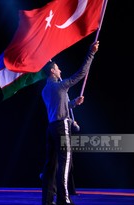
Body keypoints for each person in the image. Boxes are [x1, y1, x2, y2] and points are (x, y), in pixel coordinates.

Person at [41, 41, 99, 205]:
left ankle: (47, 200)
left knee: (50, 164)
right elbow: (80, 73)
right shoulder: (60, 86)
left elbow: (59, 106)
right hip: (61, 127)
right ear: (52, 71)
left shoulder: (45, 90)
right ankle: (63, 199)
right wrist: (91, 53)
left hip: (51, 128)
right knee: (65, 162)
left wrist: (73, 103)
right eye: (58, 68)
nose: (60, 70)